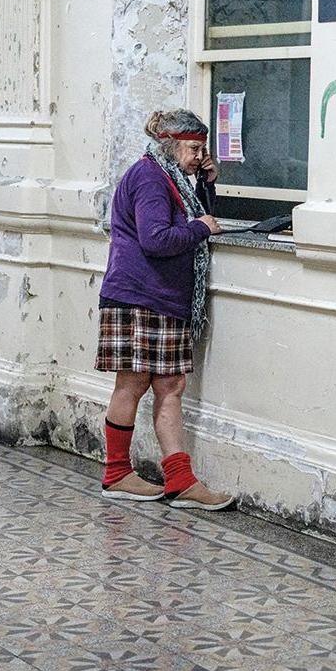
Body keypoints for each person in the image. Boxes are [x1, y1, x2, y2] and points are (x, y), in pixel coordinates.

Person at [95, 109, 234, 511]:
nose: (199, 155)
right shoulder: (150, 178)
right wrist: (200, 229)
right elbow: (157, 238)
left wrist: (206, 184)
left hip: (160, 298)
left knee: (169, 387)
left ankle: (179, 480)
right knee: (132, 384)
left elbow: (201, 217)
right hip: (139, 296)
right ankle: (117, 473)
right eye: (193, 148)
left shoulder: (173, 179)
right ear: (171, 145)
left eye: (202, 148)